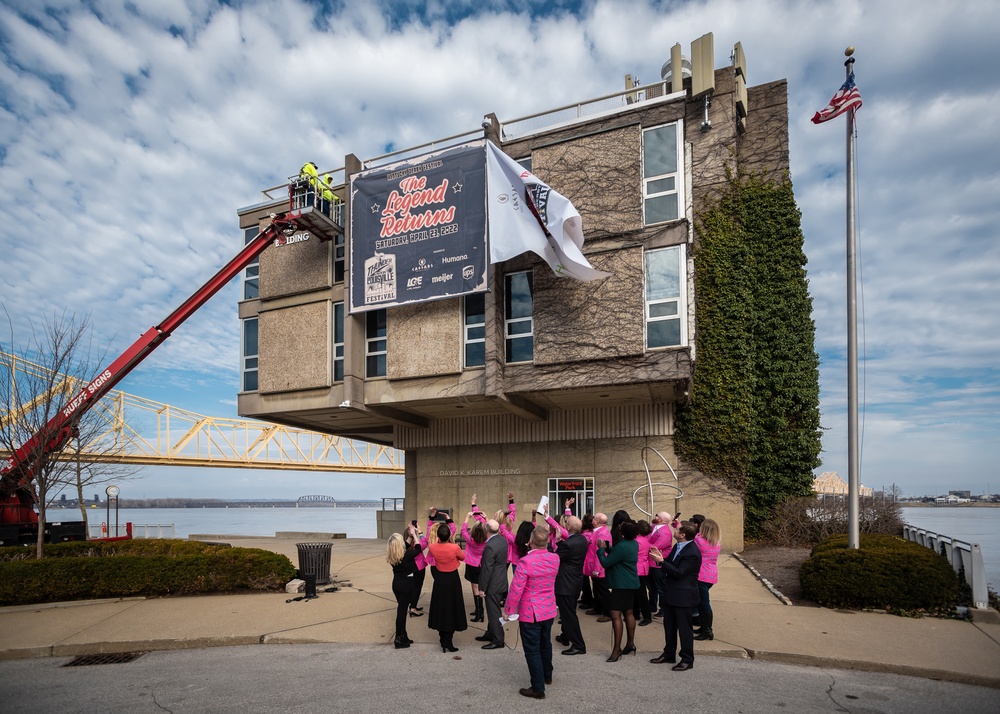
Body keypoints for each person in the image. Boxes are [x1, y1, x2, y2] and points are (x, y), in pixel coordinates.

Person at [504, 526, 560, 699]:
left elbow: (516, 589)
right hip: (548, 608)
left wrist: (508, 610)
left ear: (531, 542)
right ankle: (547, 675)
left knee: (532, 650)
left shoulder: (525, 562)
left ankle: (538, 687)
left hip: (531, 610)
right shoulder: (555, 558)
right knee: (545, 644)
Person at [649, 520, 703, 671]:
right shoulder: (677, 546)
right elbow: (672, 565)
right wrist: (661, 559)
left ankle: (687, 659)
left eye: (677, 529)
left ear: (683, 535)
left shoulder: (692, 552)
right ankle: (669, 654)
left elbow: (679, 573)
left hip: (684, 596)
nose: (674, 530)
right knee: (669, 626)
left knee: (685, 629)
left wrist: (661, 562)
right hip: (671, 593)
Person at [596, 519, 640, 662]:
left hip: (621, 584)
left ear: (622, 533)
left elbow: (606, 563)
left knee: (615, 614)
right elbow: (618, 553)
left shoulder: (622, 546)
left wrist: (601, 550)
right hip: (631, 583)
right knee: (628, 612)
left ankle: (616, 649)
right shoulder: (634, 543)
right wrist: (608, 546)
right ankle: (630, 643)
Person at [427, 522, 467, 652]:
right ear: (449, 535)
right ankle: (448, 641)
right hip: (452, 579)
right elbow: (463, 557)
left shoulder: (432, 547)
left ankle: (442, 637)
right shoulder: (454, 547)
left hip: (439, 579)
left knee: (441, 608)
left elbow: (433, 557)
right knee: (452, 608)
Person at [551, 513, 587, 655]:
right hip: (575, 581)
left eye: (566, 522)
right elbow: (567, 553)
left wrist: (557, 541)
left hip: (566, 583)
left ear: (569, 527)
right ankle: (565, 635)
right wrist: (561, 542)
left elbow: (556, 558)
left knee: (568, 615)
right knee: (568, 611)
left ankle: (578, 645)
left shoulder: (569, 544)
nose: (565, 523)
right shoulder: (581, 539)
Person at [476, 518, 508, 649]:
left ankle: (498, 640)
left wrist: (482, 588)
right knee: (492, 610)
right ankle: (490, 633)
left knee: (494, 613)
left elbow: (487, 569)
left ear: (486, 530)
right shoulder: (502, 540)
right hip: (501, 580)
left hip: (493, 584)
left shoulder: (490, 546)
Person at [386, 526, 421, 649]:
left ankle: (403, 635)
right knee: (401, 613)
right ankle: (399, 639)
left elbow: (404, 546)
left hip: (396, 584)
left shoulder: (394, 555)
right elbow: (418, 548)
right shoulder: (407, 555)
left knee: (402, 610)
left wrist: (410, 536)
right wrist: (416, 536)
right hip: (406, 585)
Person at [694, 518, 722, 641]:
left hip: (701, 575)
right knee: (701, 602)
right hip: (711, 575)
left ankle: (707, 630)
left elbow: (693, 537)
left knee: (704, 604)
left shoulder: (699, 541)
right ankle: (703, 626)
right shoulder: (716, 543)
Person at [462, 496, 489, 623]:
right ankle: (479, 610)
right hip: (482, 565)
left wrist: (467, 518)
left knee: (475, 588)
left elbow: (463, 530)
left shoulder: (470, 540)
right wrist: (486, 518)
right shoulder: (487, 540)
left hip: (472, 565)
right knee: (480, 588)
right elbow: (490, 528)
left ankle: (479, 613)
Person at [584, 512, 612, 622]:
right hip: (593, 565)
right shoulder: (597, 531)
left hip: (599, 568)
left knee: (602, 590)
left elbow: (601, 552)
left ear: (597, 522)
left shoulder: (602, 534)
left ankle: (608, 613)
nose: (592, 520)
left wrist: (597, 569)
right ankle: (598, 608)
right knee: (596, 588)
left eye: (594, 518)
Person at [648, 511, 675, 618]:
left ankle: (663, 609)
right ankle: (652, 605)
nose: (655, 517)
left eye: (657, 516)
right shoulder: (654, 526)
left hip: (658, 563)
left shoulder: (665, 533)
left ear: (663, 520)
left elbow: (654, 547)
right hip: (650, 562)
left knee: (660, 587)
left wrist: (642, 545)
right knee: (651, 586)